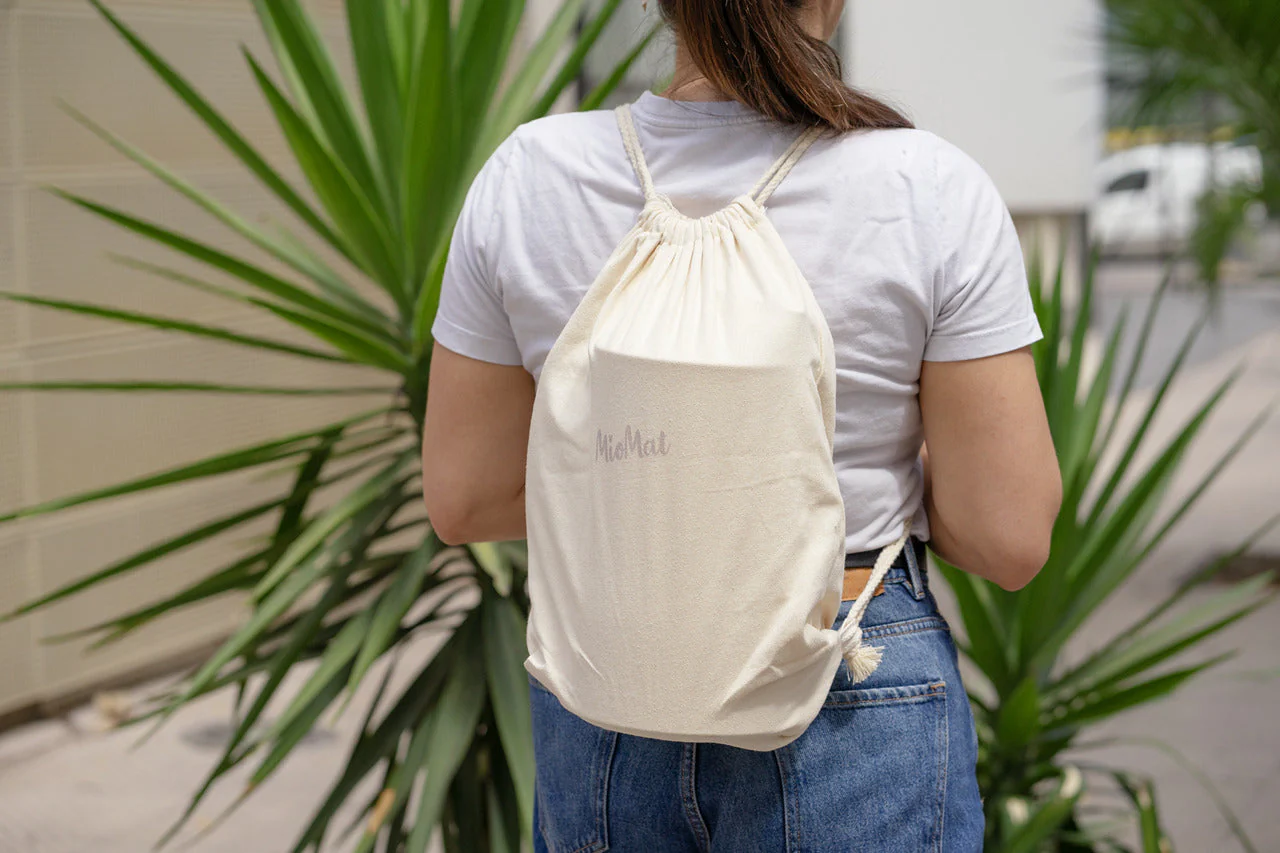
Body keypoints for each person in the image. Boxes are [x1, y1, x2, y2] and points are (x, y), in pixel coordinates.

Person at [421, 0, 1063, 848]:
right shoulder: (926, 187)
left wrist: (662, 478)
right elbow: (1007, 536)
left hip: (609, 685)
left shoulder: (529, 176)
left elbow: (465, 498)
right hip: (844, 666)